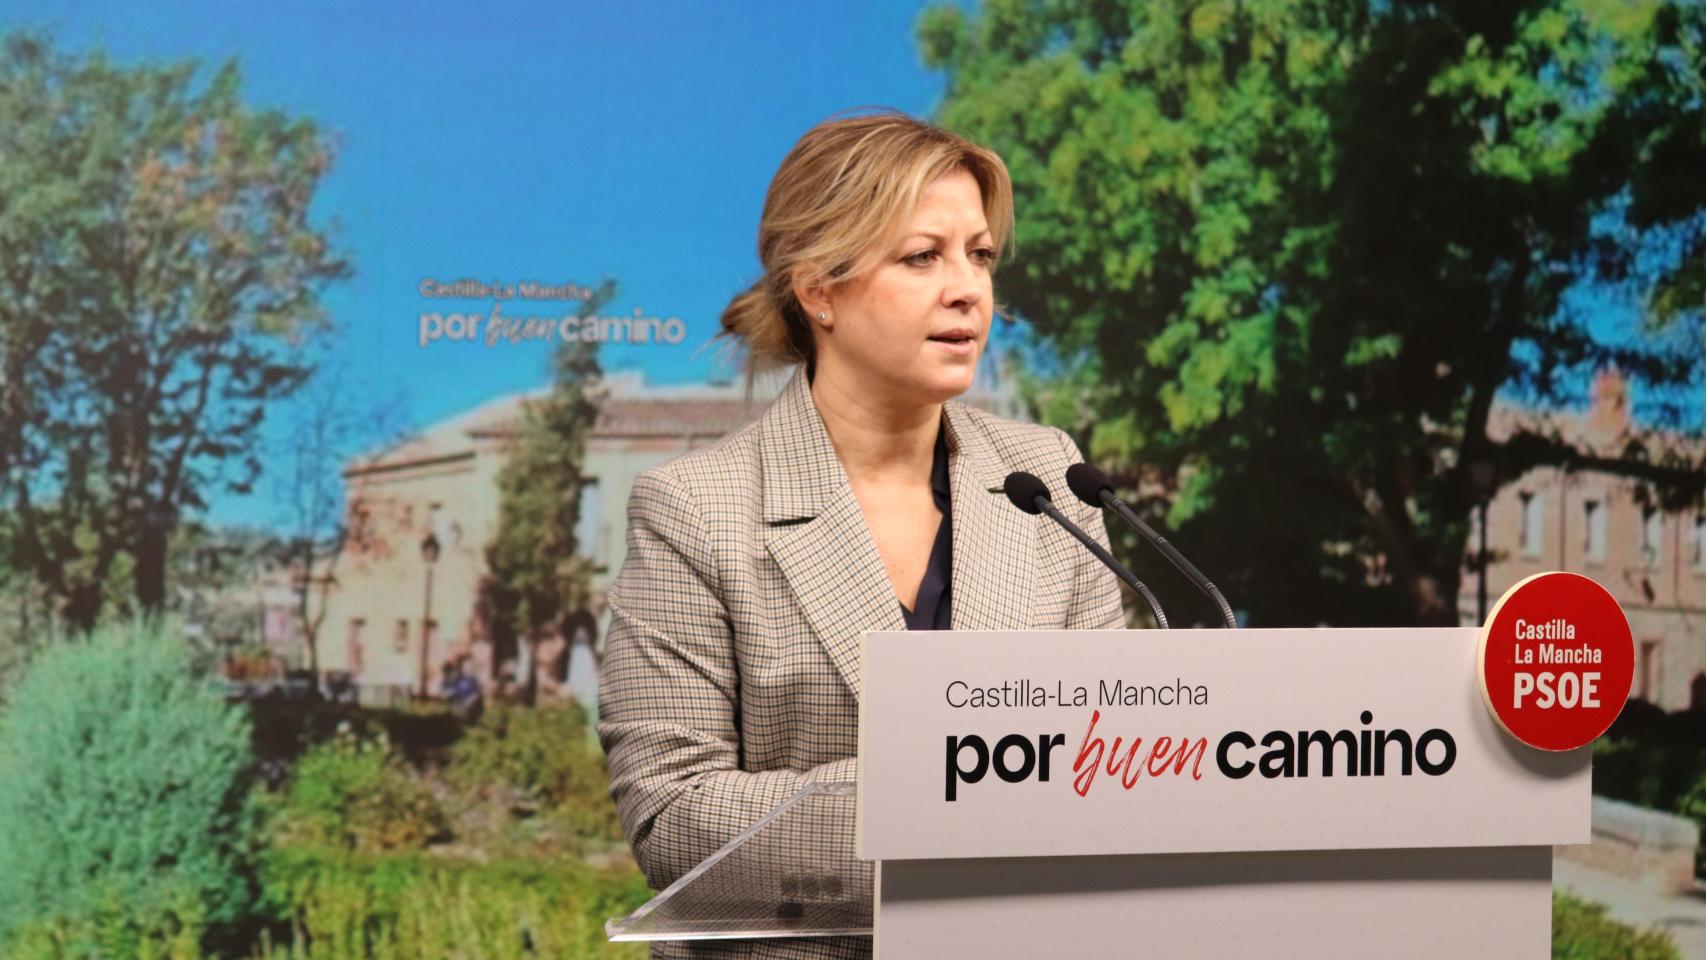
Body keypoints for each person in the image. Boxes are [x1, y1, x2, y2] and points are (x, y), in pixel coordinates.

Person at [597, 108, 1127, 960]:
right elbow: (677, 824)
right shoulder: (695, 509)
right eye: (924, 256)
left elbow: (1115, 766)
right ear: (817, 289)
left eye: (980, 255)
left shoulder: (1053, 476)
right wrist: (969, 795)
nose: (969, 288)